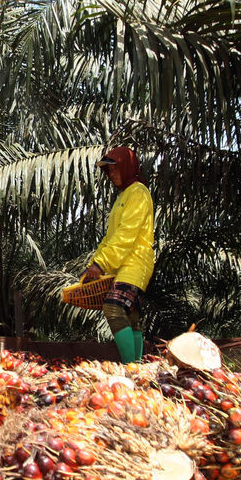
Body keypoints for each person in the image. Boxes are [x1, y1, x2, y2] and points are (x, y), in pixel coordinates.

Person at [81, 146, 154, 362]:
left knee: (113, 308)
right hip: (125, 263)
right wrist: (93, 264)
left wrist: (101, 264)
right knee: (131, 316)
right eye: (108, 171)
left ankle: (130, 366)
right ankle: (138, 367)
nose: (112, 175)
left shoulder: (139, 193)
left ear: (127, 167)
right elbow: (110, 237)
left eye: (115, 169)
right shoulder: (124, 196)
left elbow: (126, 234)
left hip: (136, 262)